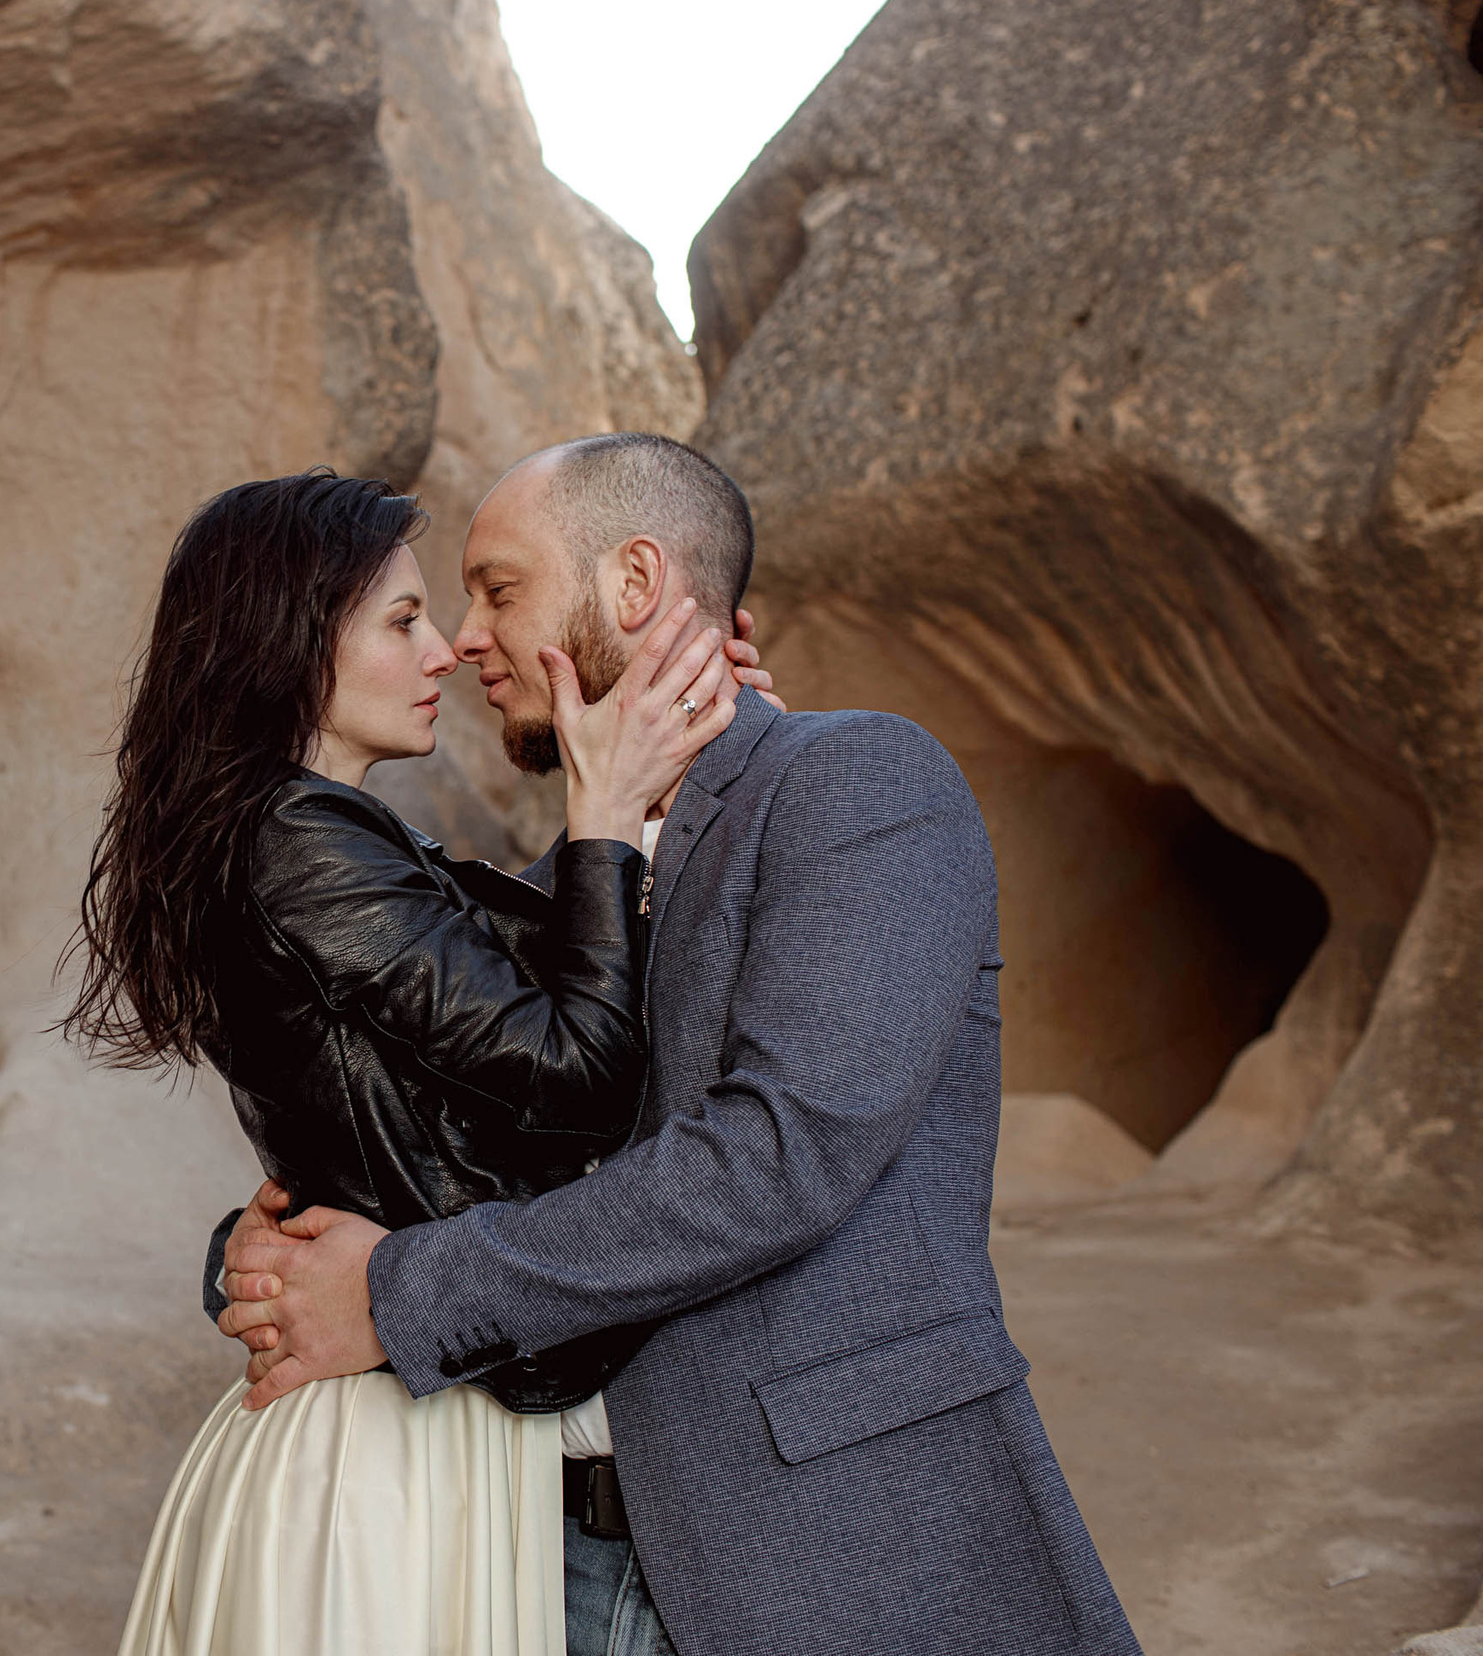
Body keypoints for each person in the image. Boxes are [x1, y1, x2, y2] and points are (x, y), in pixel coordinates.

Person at [213, 434, 1144, 1656]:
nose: (466, 638)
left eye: (498, 589)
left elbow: (778, 1156)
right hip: (539, 1550)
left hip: (826, 1541)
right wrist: (265, 1258)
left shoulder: (858, 785)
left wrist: (395, 1293)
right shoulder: (567, 888)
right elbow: (426, 1137)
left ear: (634, 584)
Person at [63, 468, 766, 1656]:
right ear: (291, 642)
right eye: (402, 621)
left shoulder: (296, 836)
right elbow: (572, 1073)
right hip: (389, 1443)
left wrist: (665, 779)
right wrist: (601, 818)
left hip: (388, 1413)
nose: (443, 650)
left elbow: (420, 1101)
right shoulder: (297, 834)